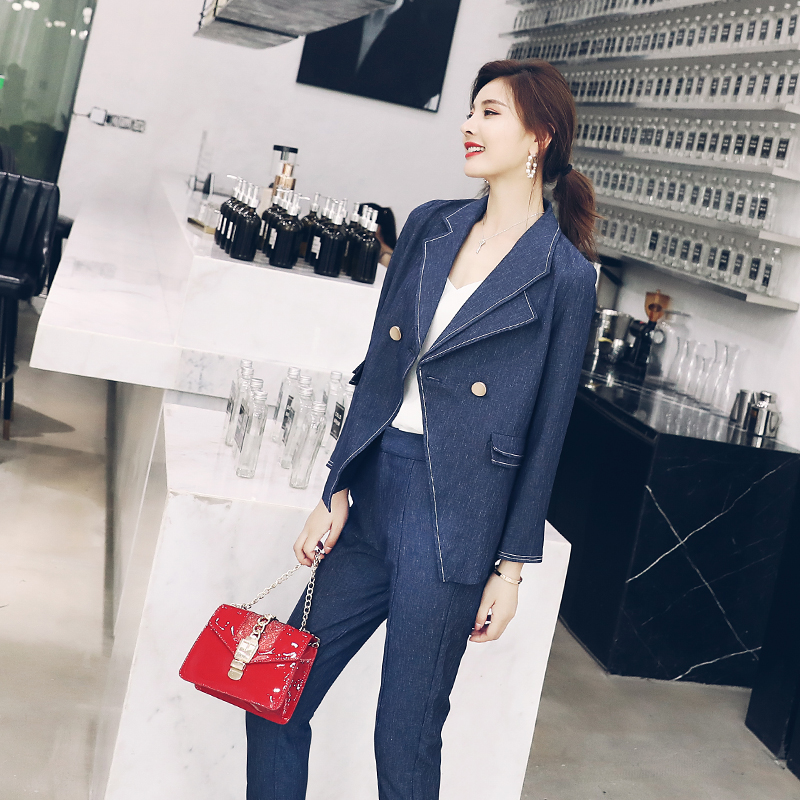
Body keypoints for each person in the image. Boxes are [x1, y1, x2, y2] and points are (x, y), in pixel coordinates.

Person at [246, 59, 598, 800]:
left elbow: (548, 435)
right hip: (374, 498)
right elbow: (377, 367)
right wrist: (336, 487)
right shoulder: (432, 224)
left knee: (403, 741)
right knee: (272, 692)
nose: (469, 125)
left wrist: (510, 569)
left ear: (540, 136)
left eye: (491, 113)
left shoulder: (565, 276)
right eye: (470, 110)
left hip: (455, 526)